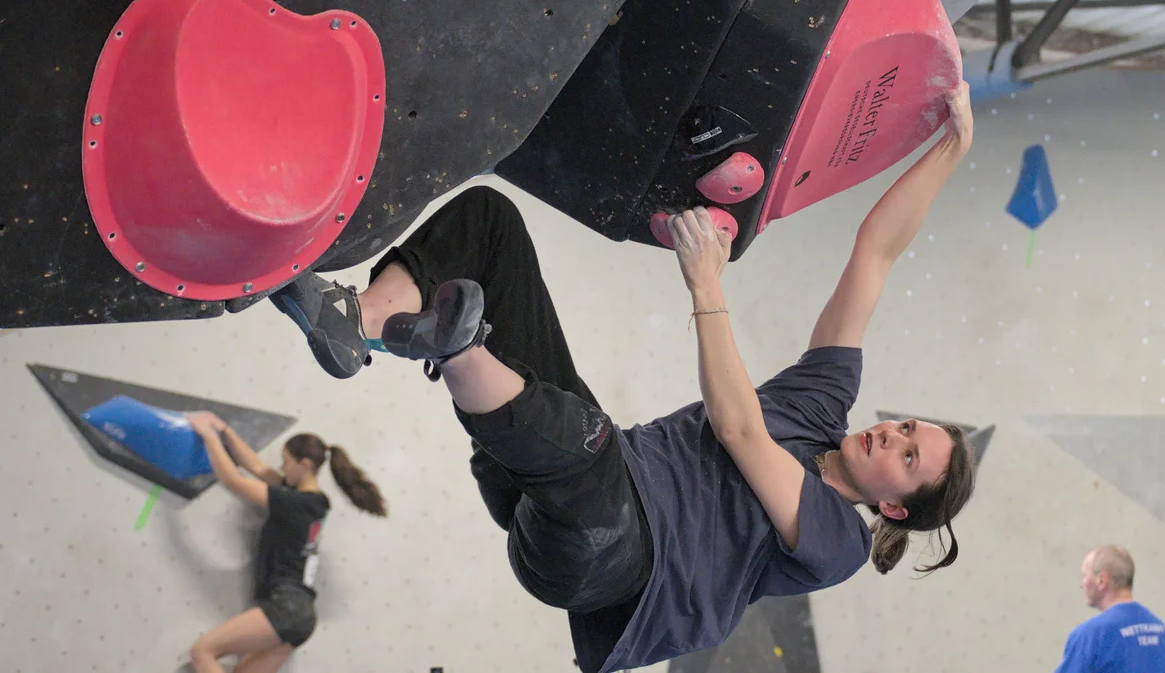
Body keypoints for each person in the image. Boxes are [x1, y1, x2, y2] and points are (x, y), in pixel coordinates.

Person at [270, 82, 978, 673]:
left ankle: (453, 346)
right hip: (557, 477)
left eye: (907, 458)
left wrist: (707, 286)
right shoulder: (823, 403)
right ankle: (355, 321)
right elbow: (876, 253)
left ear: (893, 509)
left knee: (583, 438)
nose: (891, 436)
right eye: (907, 428)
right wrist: (952, 148)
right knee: (491, 226)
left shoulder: (839, 544)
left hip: (614, 561)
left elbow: (737, 430)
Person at [185, 412, 387, 673]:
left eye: (285, 462)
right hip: (299, 615)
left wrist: (208, 436)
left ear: (304, 464)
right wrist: (224, 428)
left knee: (203, 652)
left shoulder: (297, 503)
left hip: (285, 607)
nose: (281, 468)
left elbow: (233, 481)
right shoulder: (312, 502)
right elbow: (256, 466)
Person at [1055, 545, 1165, 673]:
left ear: (1101, 580)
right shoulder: (1159, 630)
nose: (1082, 584)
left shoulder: (1091, 636)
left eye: (1084, 576)